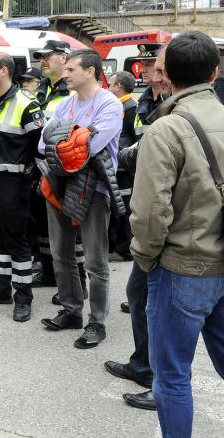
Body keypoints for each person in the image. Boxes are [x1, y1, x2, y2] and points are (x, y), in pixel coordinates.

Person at [130, 31, 224, 437]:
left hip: (182, 268)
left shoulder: (166, 130)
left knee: (171, 378)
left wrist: (147, 258)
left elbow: (150, 213)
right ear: (215, 72)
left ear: (164, 74)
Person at [38, 49, 124, 350]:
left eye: (72, 69)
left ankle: (97, 322)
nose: (65, 74)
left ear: (90, 71)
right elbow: (43, 142)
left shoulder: (110, 105)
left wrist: (65, 141)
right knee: (60, 254)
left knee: (95, 261)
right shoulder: (64, 104)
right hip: (58, 184)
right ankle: (71, 311)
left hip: (94, 189)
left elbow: (89, 148)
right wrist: (72, 139)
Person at [104, 46, 169, 411]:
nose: (145, 70)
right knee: (140, 295)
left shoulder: (176, 107)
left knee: (161, 309)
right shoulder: (148, 100)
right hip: (147, 217)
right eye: (144, 65)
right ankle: (142, 365)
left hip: (169, 229)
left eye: (153, 66)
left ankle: (163, 383)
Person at [0, 53, 44, 322]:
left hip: (13, 185)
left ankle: (23, 297)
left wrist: (32, 180)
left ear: (4, 71)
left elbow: (40, 149)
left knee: (17, 241)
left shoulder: (27, 104)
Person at [31, 40, 80, 291]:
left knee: (71, 228)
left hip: (65, 169)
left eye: (47, 56)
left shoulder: (72, 90)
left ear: (63, 57)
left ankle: (78, 281)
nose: (42, 60)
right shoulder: (43, 89)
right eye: (40, 56)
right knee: (44, 225)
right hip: (42, 168)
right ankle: (49, 273)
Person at [107, 71, 139, 263]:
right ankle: (114, 246)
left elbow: (136, 139)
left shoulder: (131, 107)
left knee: (124, 209)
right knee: (115, 208)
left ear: (118, 86)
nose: (107, 88)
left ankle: (124, 249)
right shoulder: (120, 105)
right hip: (116, 166)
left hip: (124, 169)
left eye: (110, 84)